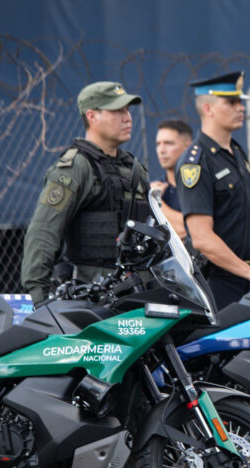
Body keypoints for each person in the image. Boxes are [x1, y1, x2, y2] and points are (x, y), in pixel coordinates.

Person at [21, 81, 148, 304]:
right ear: (92, 116)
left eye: (127, 110)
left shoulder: (133, 169)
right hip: (92, 295)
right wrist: (39, 298)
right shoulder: (76, 167)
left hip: (137, 291)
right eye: (118, 111)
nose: (127, 118)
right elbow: (43, 231)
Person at [176, 71, 250, 308]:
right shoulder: (196, 162)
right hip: (219, 281)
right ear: (208, 109)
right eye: (231, 102)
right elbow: (201, 238)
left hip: (246, 275)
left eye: (240, 101)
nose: (240, 108)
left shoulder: (235, 153)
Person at [151, 119, 193, 239]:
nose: (162, 150)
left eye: (169, 143)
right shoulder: (156, 188)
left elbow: (190, 230)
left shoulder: (200, 185)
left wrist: (155, 202)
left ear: (188, 147)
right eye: (158, 144)